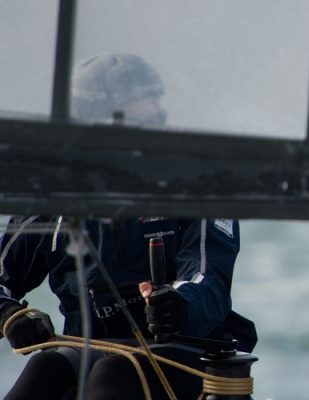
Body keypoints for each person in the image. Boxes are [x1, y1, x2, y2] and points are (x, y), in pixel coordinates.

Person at [0, 53, 257, 400]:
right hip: (86, 348)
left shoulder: (196, 183)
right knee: (44, 369)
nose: (159, 108)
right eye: (145, 99)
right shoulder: (56, 195)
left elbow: (209, 276)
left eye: (158, 97)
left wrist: (180, 305)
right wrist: (10, 315)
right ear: (104, 115)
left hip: (181, 349)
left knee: (113, 375)